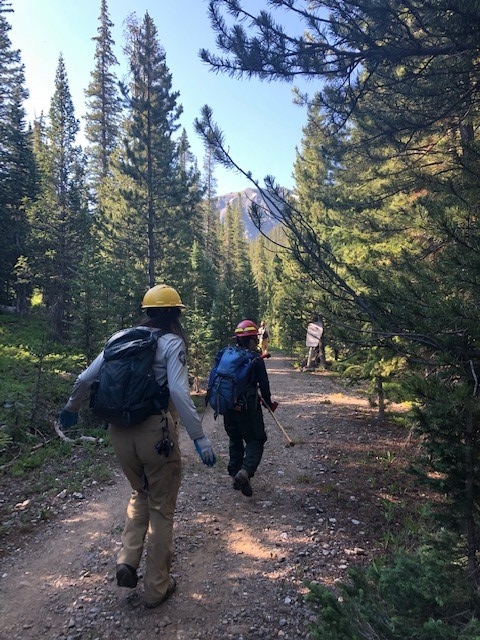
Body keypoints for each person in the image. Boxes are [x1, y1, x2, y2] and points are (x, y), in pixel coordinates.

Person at [58, 284, 216, 609]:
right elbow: (179, 393)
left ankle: (128, 560)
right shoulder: (172, 342)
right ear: (175, 313)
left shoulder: (119, 338)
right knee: (161, 509)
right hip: (154, 435)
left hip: (119, 434)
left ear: (147, 311)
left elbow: (85, 379)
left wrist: (71, 409)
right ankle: (157, 588)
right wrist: (199, 437)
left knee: (139, 493)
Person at [215, 319, 277, 498]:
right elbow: (264, 385)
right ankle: (245, 472)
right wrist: (268, 403)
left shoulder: (226, 355)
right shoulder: (255, 359)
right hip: (248, 408)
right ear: (251, 339)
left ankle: (235, 473)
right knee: (256, 439)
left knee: (234, 438)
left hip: (228, 407)